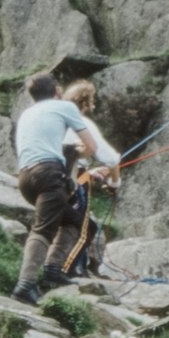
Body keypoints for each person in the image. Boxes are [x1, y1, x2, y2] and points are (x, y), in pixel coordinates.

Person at [11, 72, 114, 304]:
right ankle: (25, 285)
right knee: (43, 229)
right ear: (57, 91)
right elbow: (91, 147)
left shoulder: (27, 114)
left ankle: (52, 272)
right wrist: (81, 154)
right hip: (50, 175)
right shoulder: (65, 108)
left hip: (26, 178)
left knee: (73, 219)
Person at [60, 80, 121, 277]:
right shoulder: (82, 124)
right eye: (91, 101)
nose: (92, 106)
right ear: (85, 103)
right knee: (84, 229)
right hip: (74, 180)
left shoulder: (57, 120)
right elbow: (112, 158)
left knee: (74, 225)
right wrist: (114, 182)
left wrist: (91, 173)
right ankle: (66, 271)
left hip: (53, 175)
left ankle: (76, 268)